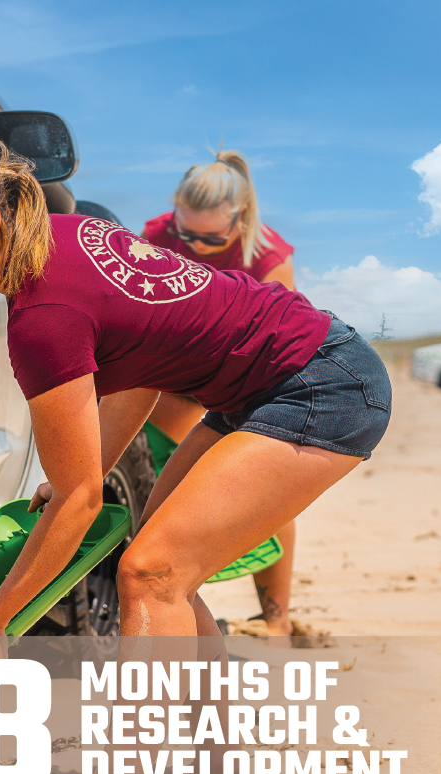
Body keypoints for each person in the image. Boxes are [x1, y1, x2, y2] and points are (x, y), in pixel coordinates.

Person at [0, 140, 390, 662]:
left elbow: (81, 502)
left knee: (150, 570)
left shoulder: (43, 319)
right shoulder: (61, 234)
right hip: (267, 383)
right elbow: (144, 370)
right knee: (168, 573)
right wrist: (85, 471)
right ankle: (217, 741)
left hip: (322, 383)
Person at [144, 150, 299, 636]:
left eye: (211, 238)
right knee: (164, 483)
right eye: (186, 233)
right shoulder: (156, 235)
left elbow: (283, 345)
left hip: (244, 378)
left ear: (242, 218)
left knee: (267, 497)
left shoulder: (269, 256)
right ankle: (177, 604)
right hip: (175, 375)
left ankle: (277, 619)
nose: (196, 245)